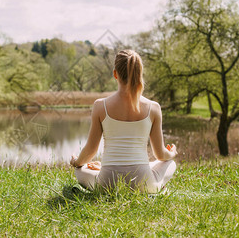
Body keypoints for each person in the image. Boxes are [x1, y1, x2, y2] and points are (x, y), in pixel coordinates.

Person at [70, 49, 177, 193]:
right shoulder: (154, 108)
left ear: (115, 74)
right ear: (140, 73)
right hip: (144, 184)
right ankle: (154, 182)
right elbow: (160, 155)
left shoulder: (100, 106)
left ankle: (102, 169)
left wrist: (76, 162)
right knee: (170, 163)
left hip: (107, 184)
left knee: (80, 169)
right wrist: (172, 153)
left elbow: (91, 150)